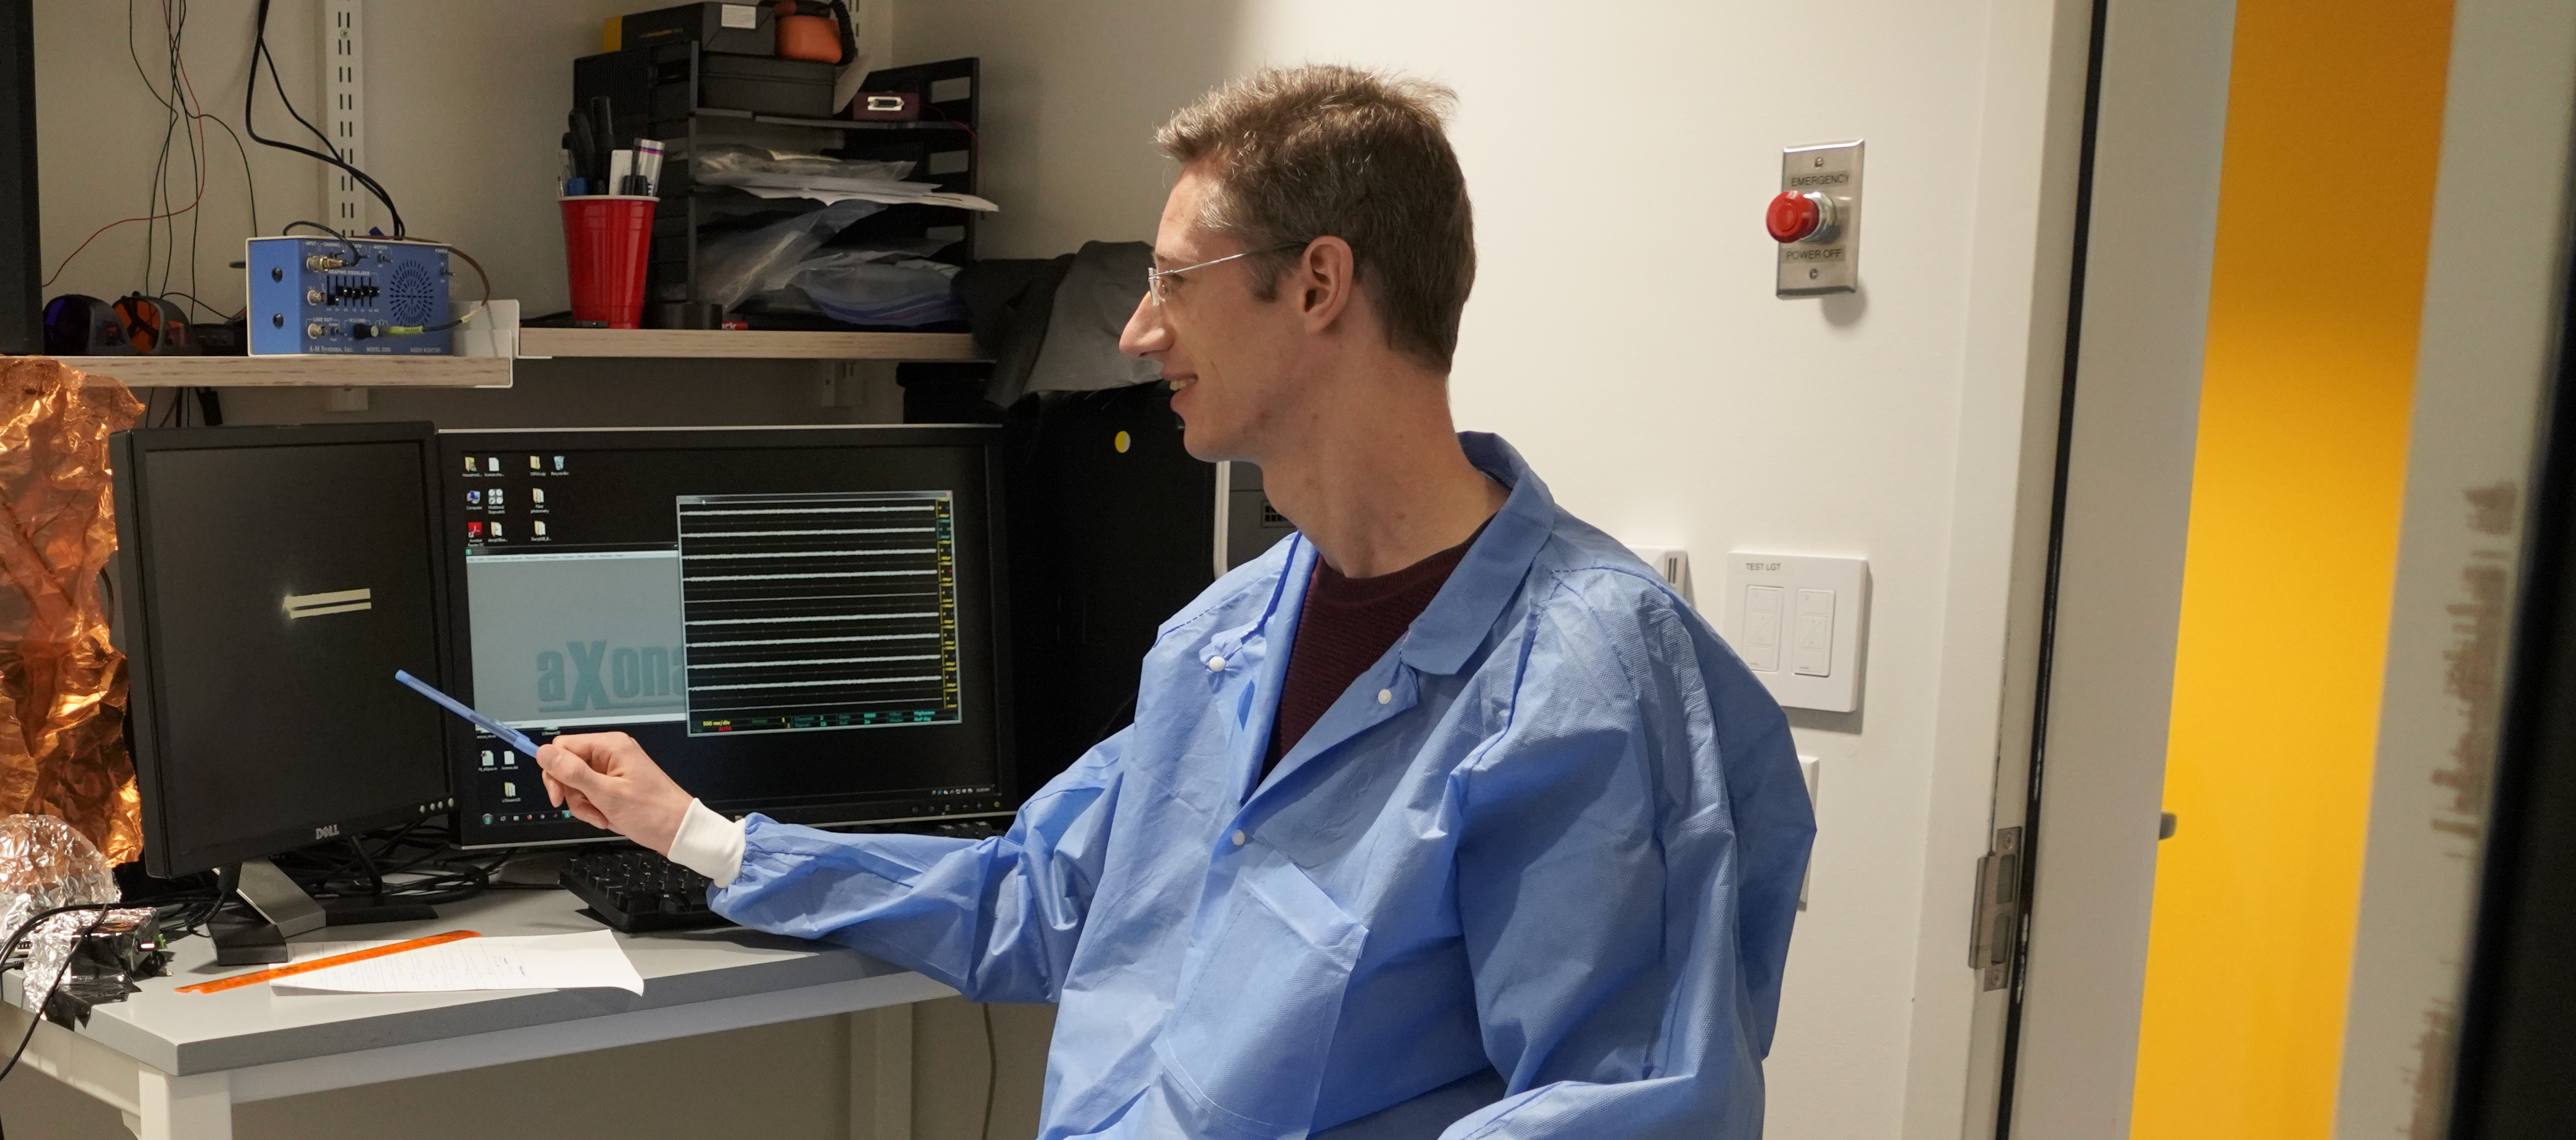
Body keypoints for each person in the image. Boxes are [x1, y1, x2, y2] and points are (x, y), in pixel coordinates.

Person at [535, 66, 1816, 1139]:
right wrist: (697, 831)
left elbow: (1624, 1107)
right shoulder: (1224, 639)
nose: (1138, 333)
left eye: (1173, 281)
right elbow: (1036, 900)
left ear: (1317, 284)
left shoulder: (1591, 679)